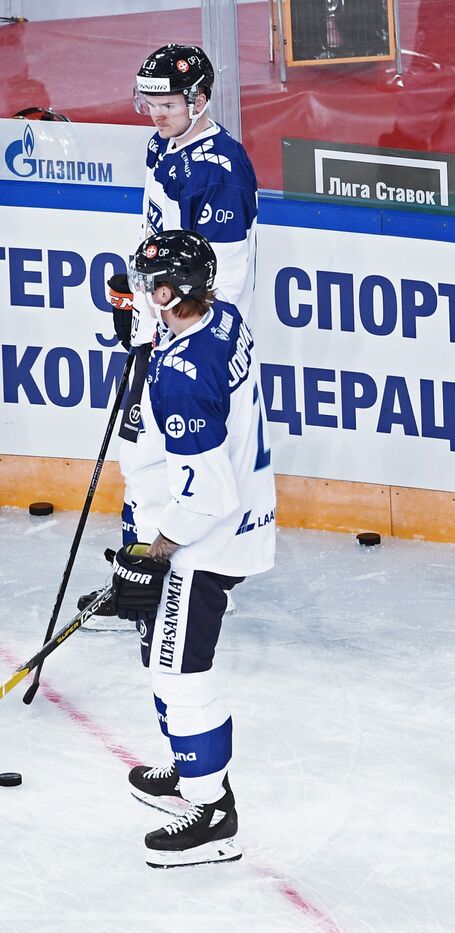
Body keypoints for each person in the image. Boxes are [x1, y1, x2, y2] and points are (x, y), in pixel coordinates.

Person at [110, 229, 276, 867]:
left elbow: (209, 496)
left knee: (180, 672)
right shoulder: (222, 316)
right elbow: (172, 337)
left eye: (154, 287)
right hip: (214, 526)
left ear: (178, 290)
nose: (145, 294)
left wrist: (150, 554)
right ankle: (188, 770)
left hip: (198, 542)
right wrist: (138, 325)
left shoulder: (183, 379)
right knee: (162, 659)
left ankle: (212, 813)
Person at [80, 43, 260, 625]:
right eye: (148, 102)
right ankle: (140, 580)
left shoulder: (222, 172)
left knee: (174, 465)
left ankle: (179, 585)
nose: (155, 113)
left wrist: (171, 334)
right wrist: (139, 306)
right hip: (163, 327)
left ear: (200, 99)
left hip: (189, 342)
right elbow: (163, 246)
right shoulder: (167, 143)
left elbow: (221, 283)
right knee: (141, 460)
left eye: (167, 102)